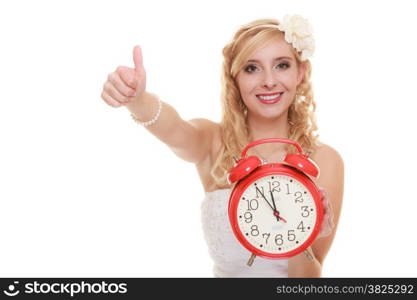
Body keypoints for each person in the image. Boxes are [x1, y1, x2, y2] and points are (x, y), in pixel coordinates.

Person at [101, 15, 344, 277]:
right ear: (235, 79)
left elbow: (306, 279)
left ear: (301, 73)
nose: (269, 81)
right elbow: (175, 128)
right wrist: (138, 100)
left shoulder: (323, 160)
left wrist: (302, 232)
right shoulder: (213, 142)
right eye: (252, 68)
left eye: (282, 65)